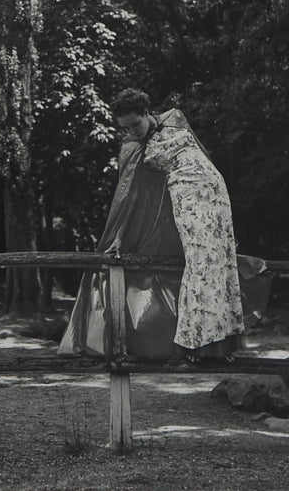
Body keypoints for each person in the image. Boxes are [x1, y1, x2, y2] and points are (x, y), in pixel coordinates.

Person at [58, 88, 270, 362]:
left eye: (136, 124)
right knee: (200, 264)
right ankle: (195, 345)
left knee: (220, 262)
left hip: (214, 189)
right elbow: (129, 194)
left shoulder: (175, 117)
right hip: (186, 197)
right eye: (126, 128)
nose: (133, 131)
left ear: (147, 112)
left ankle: (221, 345)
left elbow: (201, 151)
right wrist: (120, 235)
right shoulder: (134, 148)